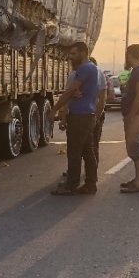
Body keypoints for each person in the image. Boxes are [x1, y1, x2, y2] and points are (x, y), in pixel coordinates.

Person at [51, 42, 99, 195]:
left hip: (80, 117)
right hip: (87, 115)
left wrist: (54, 109)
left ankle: (71, 186)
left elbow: (70, 91)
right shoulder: (92, 68)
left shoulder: (84, 68)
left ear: (83, 53)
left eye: (74, 54)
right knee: (87, 152)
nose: (71, 57)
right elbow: (77, 90)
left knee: (74, 152)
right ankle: (91, 184)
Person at [119, 44, 139, 193]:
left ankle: (138, 182)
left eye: (126, 54)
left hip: (137, 115)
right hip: (136, 114)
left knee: (136, 148)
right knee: (135, 147)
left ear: (130, 54)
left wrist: (131, 116)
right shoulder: (137, 71)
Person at [89, 57, 111, 164]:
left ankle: (93, 170)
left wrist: (96, 118)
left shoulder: (100, 76)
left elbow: (103, 99)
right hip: (87, 115)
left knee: (94, 143)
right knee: (82, 144)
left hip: (95, 114)